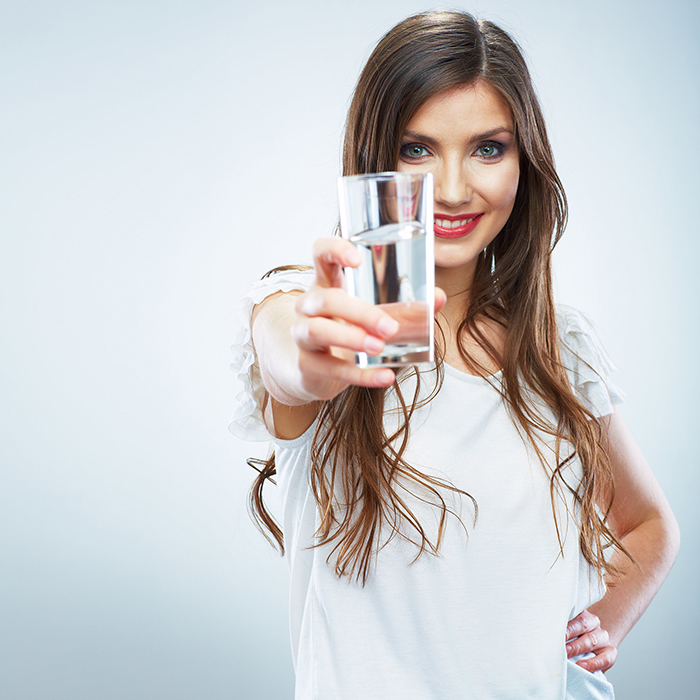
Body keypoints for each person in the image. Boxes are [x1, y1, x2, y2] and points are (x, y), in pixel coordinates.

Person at [229, 10, 679, 699]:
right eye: (417, 149)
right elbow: (287, 348)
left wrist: (604, 623)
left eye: (488, 149)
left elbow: (650, 525)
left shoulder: (557, 344)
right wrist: (309, 364)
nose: (453, 187)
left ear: (524, 159)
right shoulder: (326, 313)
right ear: (375, 157)